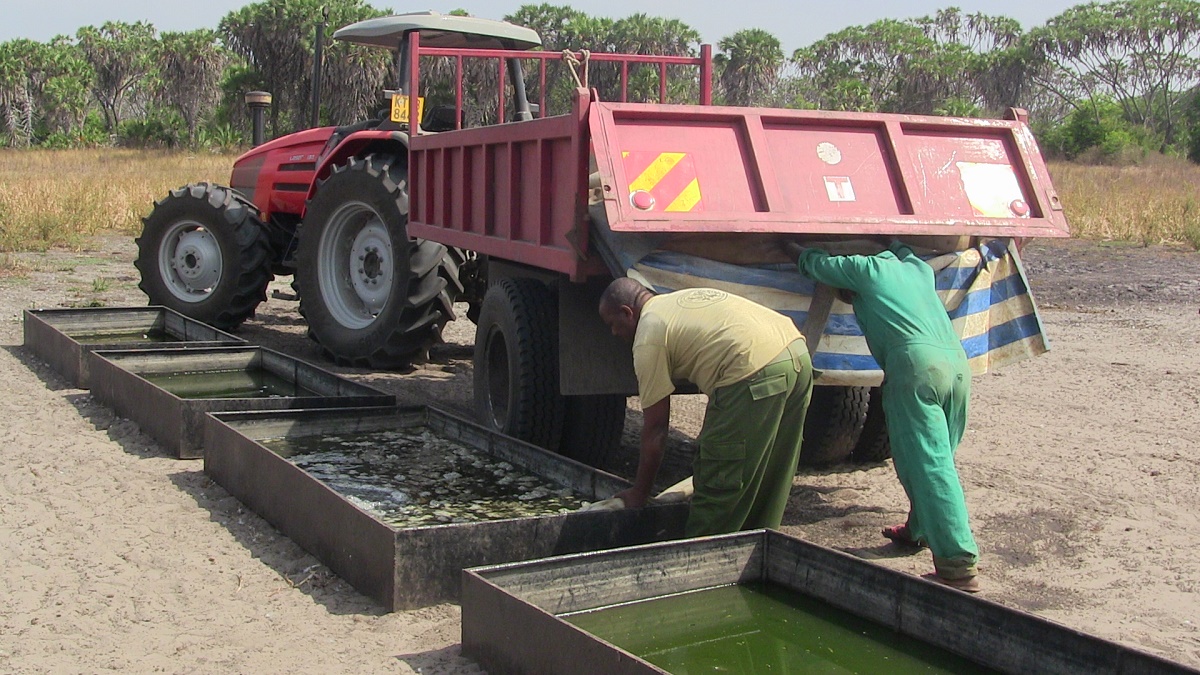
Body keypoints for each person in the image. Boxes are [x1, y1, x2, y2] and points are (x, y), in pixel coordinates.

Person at [783, 239, 981, 592]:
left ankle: (958, 564)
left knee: (928, 464)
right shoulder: (917, 268)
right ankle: (918, 530)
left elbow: (815, 264)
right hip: (956, 364)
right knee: (940, 456)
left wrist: (785, 244)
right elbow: (903, 247)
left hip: (916, 366)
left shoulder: (864, 269)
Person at [598, 278, 813, 537]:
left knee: (719, 477)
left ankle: (699, 562)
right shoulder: (676, 300)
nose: (613, 333)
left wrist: (639, 493)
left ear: (627, 312)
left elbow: (656, 430)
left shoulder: (648, 336)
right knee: (770, 473)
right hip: (796, 353)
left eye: (612, 324)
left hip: (753, 368)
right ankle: (757, 551)